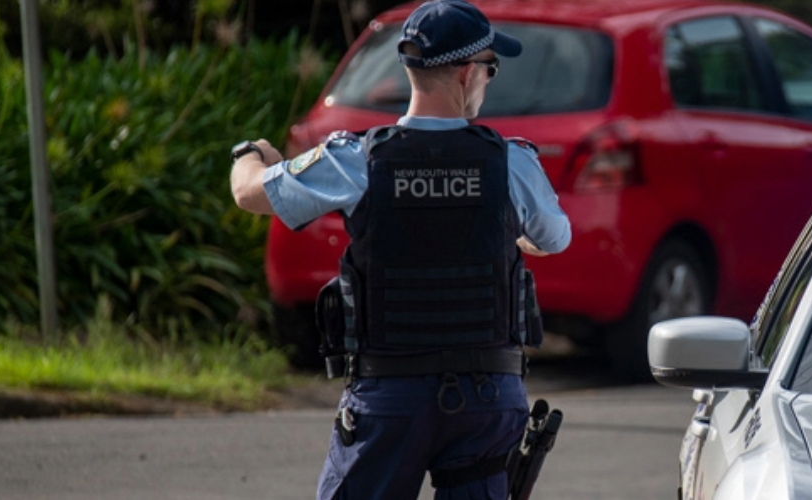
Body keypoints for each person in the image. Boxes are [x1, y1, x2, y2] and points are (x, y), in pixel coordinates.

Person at [226, 1, 570, 498]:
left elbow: (248, 193)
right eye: (490, 70)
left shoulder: (357, 160)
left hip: (390, 397)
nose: (489, 81)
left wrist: (250, 154)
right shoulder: (511, 164)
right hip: (486, 398)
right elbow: (552, 239)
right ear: (468, 73)